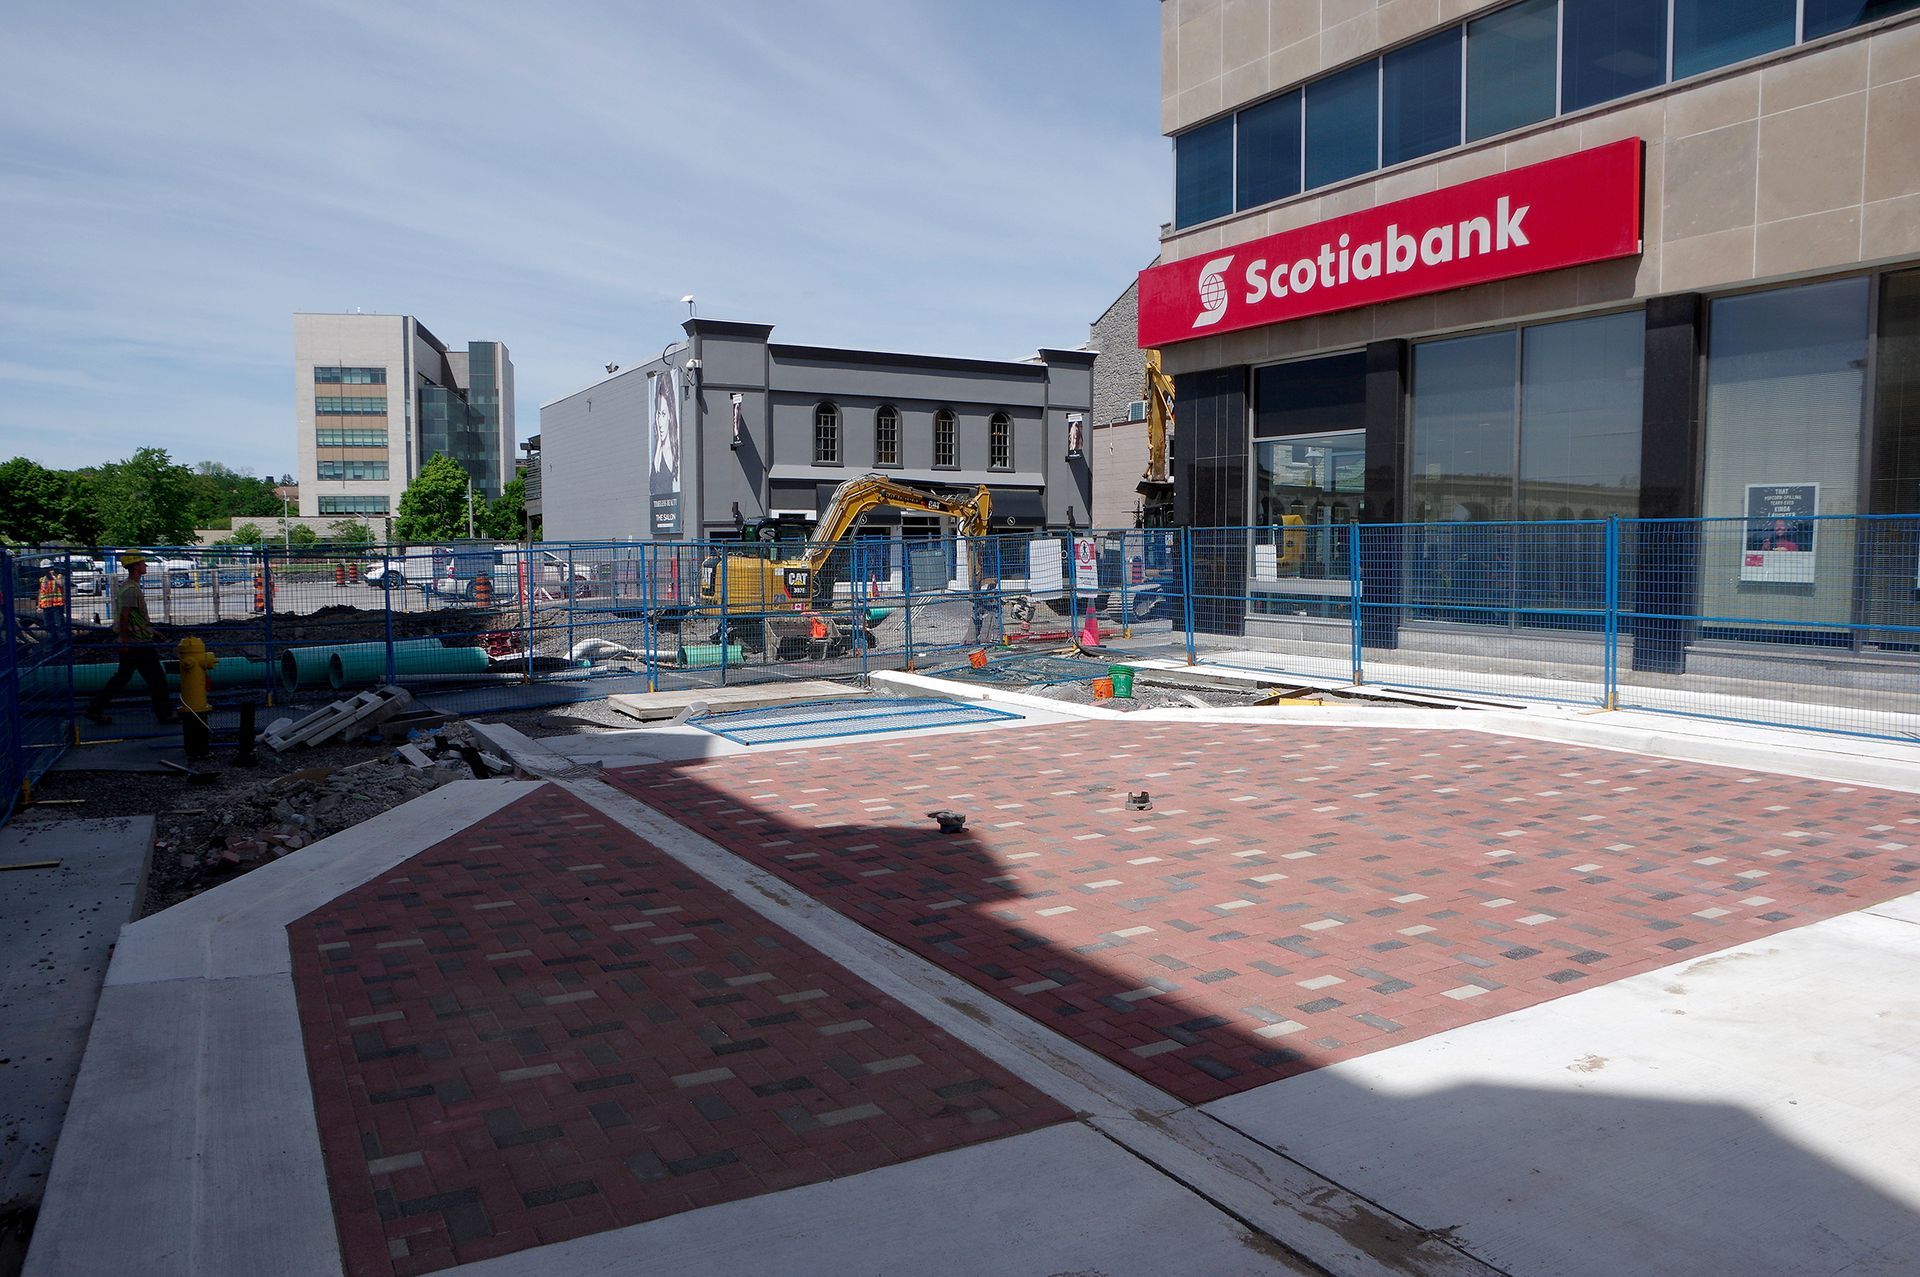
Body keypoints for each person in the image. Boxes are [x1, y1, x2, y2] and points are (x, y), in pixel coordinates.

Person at [84, 552, 176, 727]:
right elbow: (125, 617)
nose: (146, 566)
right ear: (135, 567)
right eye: (142, 563)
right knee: (157, 679)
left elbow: (134, 617)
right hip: (137, 644)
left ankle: (94, 709)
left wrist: (152, 631)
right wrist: (125, 641)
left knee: (122, 678)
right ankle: (164, 714)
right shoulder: (131, 589)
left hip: (135, 641)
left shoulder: (130, 587)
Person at [37, 562, 68, 643]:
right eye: (44, 569)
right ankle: (53, 639)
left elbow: (61, 584)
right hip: (46, 605)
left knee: (59, 623)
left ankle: (63, 639)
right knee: (48, 624)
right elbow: (41, 592)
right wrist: (39, 605)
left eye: (47, 568)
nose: (46, 571)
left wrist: (54, 576)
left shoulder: (59, 576)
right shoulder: (42, 579)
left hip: (57, 604)